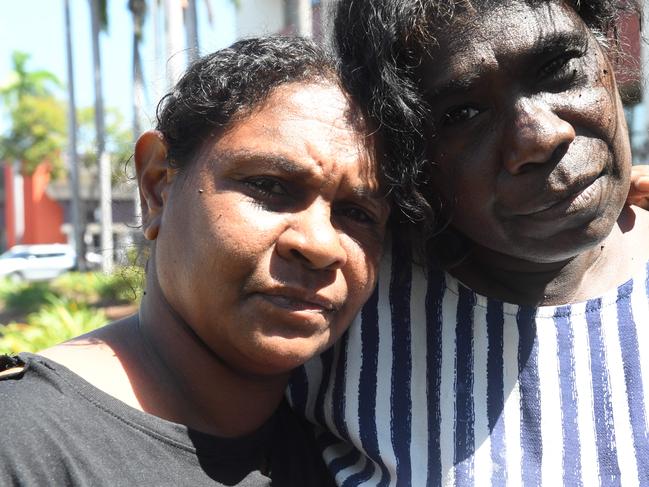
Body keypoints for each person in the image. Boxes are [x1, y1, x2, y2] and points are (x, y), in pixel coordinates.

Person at [0, 36, 390, 486]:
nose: (322, 244)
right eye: (270, 186)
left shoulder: (355, 456)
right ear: (157, 185)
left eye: (358, 214)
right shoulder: (24, 445)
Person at [288, 1, 649, 485]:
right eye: (463, 113)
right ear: (410, 154)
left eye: (559, 67)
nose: (541, 137)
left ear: (606, 44)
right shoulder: (339, 311)